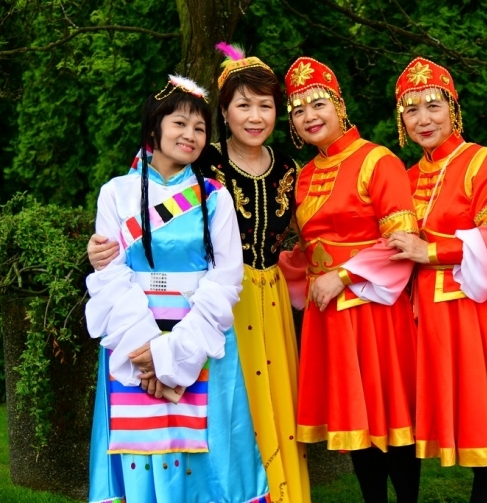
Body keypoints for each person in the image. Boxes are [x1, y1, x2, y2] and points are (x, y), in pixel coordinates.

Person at [88, 44, 311, 503]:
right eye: (178, 124)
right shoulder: (117, 193)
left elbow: (225, 276)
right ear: (154, 128)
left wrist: (176, 353)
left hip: (201, 330)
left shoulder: (214, 196)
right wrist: (149, 351)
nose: (189, 134)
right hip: (134, 335)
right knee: (142, 448)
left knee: (209, 452)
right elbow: (111, 270)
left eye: (198, 127)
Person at [387, 57, 487, 503]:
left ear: (453, 109)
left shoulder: (484, 163)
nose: (423, 119)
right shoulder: (407, 178)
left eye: (433, 106)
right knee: (472, 428)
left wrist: (429, 251)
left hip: (478, 310)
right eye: (412, 110)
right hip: (430, 317)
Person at [278, 56, 421, 503]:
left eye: (318, 104)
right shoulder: (303, 177)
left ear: (339, 106)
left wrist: (342, 275)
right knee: (354, 424)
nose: (309, 116)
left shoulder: (377, 160)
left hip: (375, 311)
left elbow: (403, 239)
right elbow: (306, 249)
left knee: (390, 418)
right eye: (298, 110)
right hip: (330, 316)